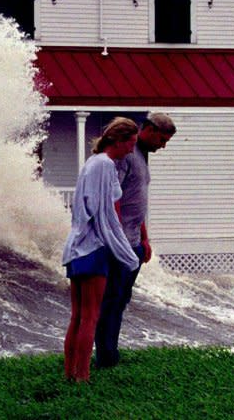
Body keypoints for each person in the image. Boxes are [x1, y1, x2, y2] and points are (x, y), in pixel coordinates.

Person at [95, 112, 176, 368]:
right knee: (112, 300)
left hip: (134, 241)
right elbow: (114, 196)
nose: (162, 146)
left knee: (121, 299)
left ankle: (111, 351)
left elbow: (136, 200)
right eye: (162, 140)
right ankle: (106, 356)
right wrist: (118, 238)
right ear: (149, 129)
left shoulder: (142, 155)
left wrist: (144, 238)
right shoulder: (127, 154)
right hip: (120, 243)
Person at [62, 117, 141, 383]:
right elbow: (105, 214)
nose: (132, 149)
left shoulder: (90, 163)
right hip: (94, 247)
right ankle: (82, 376)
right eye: (130, 143)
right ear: (117, 141)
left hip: (75, 246)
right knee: (91, 316)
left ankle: (70, 373)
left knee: (78, 315)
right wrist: (126, 253)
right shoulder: (106, 165)